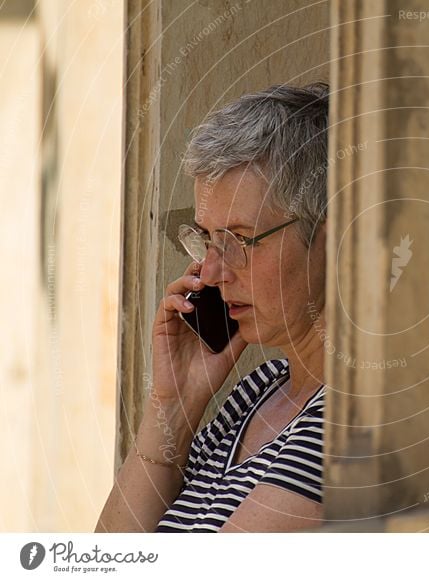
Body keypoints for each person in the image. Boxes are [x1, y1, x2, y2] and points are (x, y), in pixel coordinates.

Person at [96, 82, 330, 532]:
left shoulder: (361, 420)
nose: (210, 273)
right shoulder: (258, 392)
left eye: (240, 240)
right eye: (207, 239)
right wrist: (174, 408)